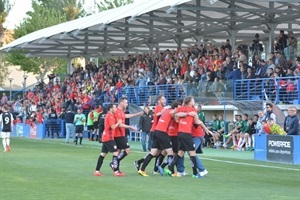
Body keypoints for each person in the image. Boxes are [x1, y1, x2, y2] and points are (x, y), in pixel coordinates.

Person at [137, 101, 181, 177]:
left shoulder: (166, 110)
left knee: (153, 153)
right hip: (162, 132)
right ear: (176, 107)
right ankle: (172, 171)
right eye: (179, 107)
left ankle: (142, 169)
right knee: (170, 152)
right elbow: (175, 115)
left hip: (156, 131)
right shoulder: (171, 111)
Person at [166, 96, 202, 178]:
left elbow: (172, 113)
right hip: (186, 133)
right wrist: (197, 121)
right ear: (189, 102)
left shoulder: (181, 108)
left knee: (180, 153)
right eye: (193, 100)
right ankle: (195, 173)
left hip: (180, 133)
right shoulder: (193, 110)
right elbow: (196, 122)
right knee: (192, 153)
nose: (194, 102)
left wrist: (178, 118)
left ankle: (170, 166)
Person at [112, 97, 141, 174]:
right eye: (126, 103)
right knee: (127, 150)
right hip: (118, 134)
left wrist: (137, 114)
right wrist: (130, 127)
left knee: (118, 151)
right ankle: (114, 163)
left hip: (120, 134)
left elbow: (126, 116)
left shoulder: (121, 112)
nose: (126, 104)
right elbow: (120, 124)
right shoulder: (117, 112)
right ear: (121, 103)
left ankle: (116, 168)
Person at [93, 104, 124, 177]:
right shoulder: (110, 116)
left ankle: (97, 171)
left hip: (106, 137)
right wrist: (118, 122)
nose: (116, 109)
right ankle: (116, 171)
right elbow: (113, 127)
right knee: (116, 152)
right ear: (111, 109)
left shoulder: (109, 115)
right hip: (108, 137)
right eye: (115, 108)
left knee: (103, 154)